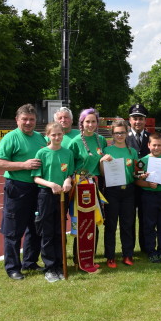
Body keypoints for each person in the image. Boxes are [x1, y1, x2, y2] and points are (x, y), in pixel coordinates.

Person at [0, 104, 46, 280]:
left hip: (37, 188)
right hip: (17, 188)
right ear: (17, 120)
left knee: (35, 227)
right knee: (13, 230)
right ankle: (12, 267)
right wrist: (24, 165)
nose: (28, 122)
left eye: (31, 119)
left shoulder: (40, 138)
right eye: (24, 119)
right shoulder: (10, 138)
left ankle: (30, 262)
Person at [32, 122, 74, 282]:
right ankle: (49, 267)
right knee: (47, 233)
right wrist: (51, 185)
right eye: (53, 135)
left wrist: (68, 181)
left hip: (62, 196)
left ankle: (59, 264)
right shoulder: (41, 153)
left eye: (60, 134)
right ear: (48, 136)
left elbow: (69, 173)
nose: (57, 137)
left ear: (63, 135)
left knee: (60, 231)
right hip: (46, 195)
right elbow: (36, 177)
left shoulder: (68, 153)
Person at [67, 108, 110, 263]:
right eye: (87, 122)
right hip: (80, 187)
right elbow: (70, 167)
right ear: (81, 123)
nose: (90, 125)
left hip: (96, 186)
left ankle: (89, 256)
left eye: (93, 121)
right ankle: (79, 258)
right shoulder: (75, 142)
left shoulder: (101, 140)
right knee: (81, 221)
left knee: (95, 220)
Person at [101, 119, 138, 268]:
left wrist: (142, 175)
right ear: (112, 134)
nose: (120, 135)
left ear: (127, 132)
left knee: (127, 224)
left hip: (128, 190)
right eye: (116, 133)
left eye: (122, 132)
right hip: (112, 191)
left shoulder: (132, 151)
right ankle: (110, 256)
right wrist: (102, 161)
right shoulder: (107, 151)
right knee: (110, 224)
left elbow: (136, 172)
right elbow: (103, 173)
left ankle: (127, 254)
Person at [137, 132, 161, 263]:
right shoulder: (142, 161)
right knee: (149, 224)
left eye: (159, 145)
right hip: (149, 196)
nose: (156, 148)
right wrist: (146, 182)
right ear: (148, 145)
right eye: (154, 145)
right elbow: (136, 180)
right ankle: (151, 251)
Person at [126, 103, 151, 254]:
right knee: (128, 220)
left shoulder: (151, 138)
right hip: (129, 184)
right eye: (135, 118)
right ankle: (128, 251)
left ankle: (145, 248)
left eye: (141, 118)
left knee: (146, 218)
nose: (138, 122)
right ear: (129, 120)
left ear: (145, 120)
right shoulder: (123, 138)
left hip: (147, 184)